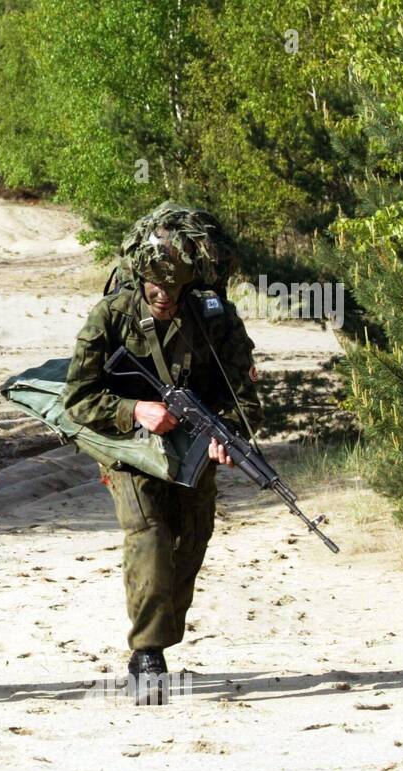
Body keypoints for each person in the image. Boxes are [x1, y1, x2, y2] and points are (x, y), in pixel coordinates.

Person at [63, 203, 262, 702]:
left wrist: (229, 434)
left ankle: (157, 636)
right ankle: (148, 654)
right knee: (150, 536)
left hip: (192, 447)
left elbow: (244, 395)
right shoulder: (111, 315)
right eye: (155, 291)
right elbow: (78, 399)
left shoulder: (214, 316)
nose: (164, 300)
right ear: (139, 277)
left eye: (175, 291)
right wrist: (136, 410)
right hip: (130, 449)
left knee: (191, 540)